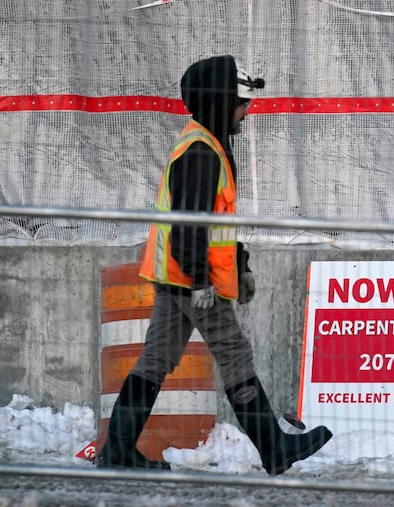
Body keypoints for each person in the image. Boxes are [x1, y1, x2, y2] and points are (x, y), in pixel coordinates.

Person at [96, 55, 333, 474]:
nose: (247, 109)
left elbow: (216, 219)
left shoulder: (206, 144)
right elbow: (189, 225)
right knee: (235, 354)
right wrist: (203, 281)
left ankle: (116, 453)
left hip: (179, 277)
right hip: (193, 280)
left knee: (155, 361)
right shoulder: (202, 152)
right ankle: (274, 449)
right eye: (242, 102)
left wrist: (239, 262)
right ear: (221, 102)